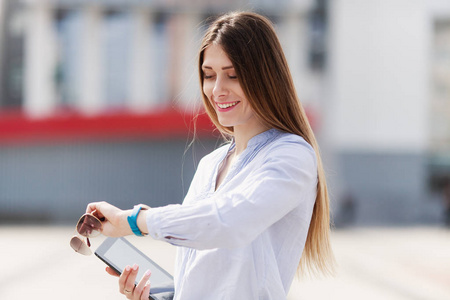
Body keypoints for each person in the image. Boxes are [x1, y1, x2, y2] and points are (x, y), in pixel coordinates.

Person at [86, 11, 335, 300]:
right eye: (208, 75)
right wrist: (160, 296)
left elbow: (229, 222)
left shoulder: (291, 156)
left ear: (266, 77)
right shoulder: (210, 164)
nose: (217, 90)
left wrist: (134, 221)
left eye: (233, 75)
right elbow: (205, 273)